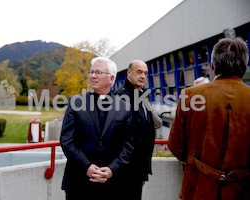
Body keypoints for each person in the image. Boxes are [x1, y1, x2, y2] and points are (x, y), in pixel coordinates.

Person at [168, 37, 250, 199]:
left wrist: (201, 167)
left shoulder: (190, 95)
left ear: (213, 66)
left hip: (198, 189)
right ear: (244, 66)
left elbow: (176, 145)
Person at [60, 57, 134, 200]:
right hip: (78, 182)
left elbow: (128, 145)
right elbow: (66, 140)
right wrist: (86, 167)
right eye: (92, 72)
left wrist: (113, 169)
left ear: (111, 78)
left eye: (98, 72)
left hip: (112, 184)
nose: (93, 76)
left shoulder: (125, 107)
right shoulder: (76, 102)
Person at [114, 60, 161, 200]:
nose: (143, 76)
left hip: (140, 164)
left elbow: (154, 123)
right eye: (139, 72)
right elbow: (120, 132)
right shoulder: (121, 96)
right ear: (129, 73)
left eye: (145, 73)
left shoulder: (142, 95)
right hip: (127, 166)